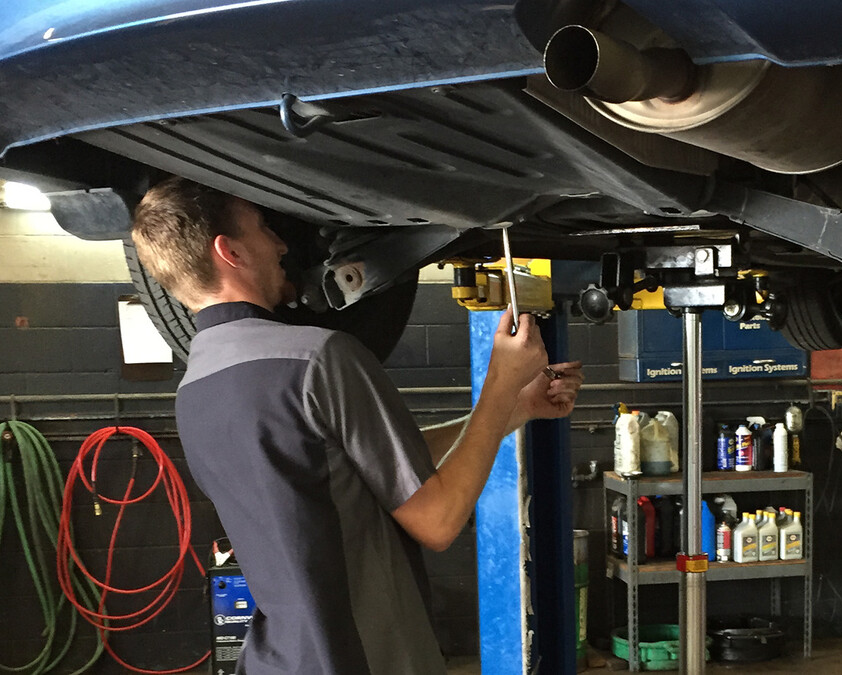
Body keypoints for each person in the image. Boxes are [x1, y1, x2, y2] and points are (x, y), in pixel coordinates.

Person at [130, 176, 584, 674]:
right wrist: (501, 381)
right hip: (365, 658)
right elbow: (437, 522)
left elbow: (360, 470)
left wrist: (514, 409)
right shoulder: (318, 358)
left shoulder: (195, 390)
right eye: (263, 227)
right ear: (230, 251)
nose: (281, 243)